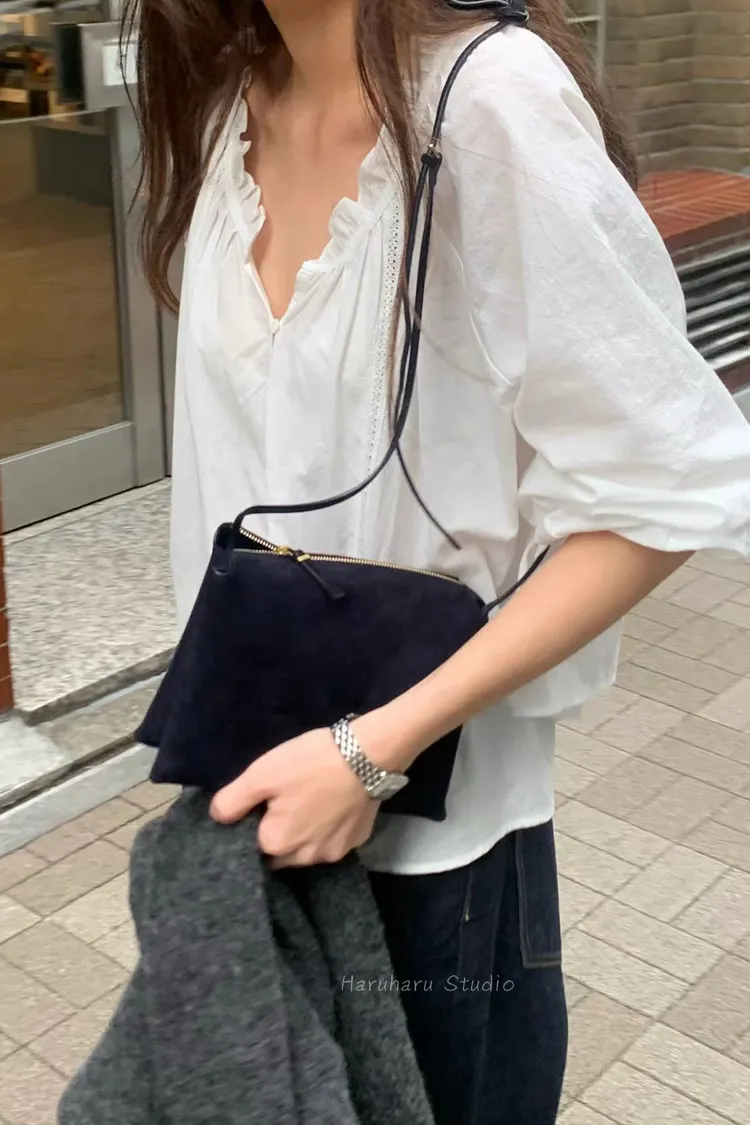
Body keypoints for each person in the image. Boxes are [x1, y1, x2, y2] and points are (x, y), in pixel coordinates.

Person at [132, 1, 750, 1122]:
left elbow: (662, 490)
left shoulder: (490, 103)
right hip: (246, 801)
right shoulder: (229, 104)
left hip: (434, 850)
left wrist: (374, 751)